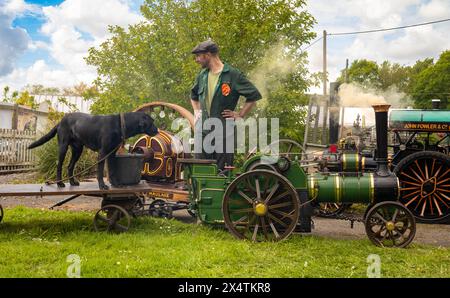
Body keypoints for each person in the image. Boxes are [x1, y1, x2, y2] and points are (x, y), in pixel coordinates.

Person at [190, 40, 262, 171]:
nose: (196, 60)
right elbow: (193, 96)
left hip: (224, 132)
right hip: (203, 131)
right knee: (200, 171)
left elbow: (254, 95)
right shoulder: (202, 76)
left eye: (198, 56)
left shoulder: (233, 75)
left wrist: (240, 114)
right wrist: (197, 114)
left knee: (222, 172)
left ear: (208, 54)